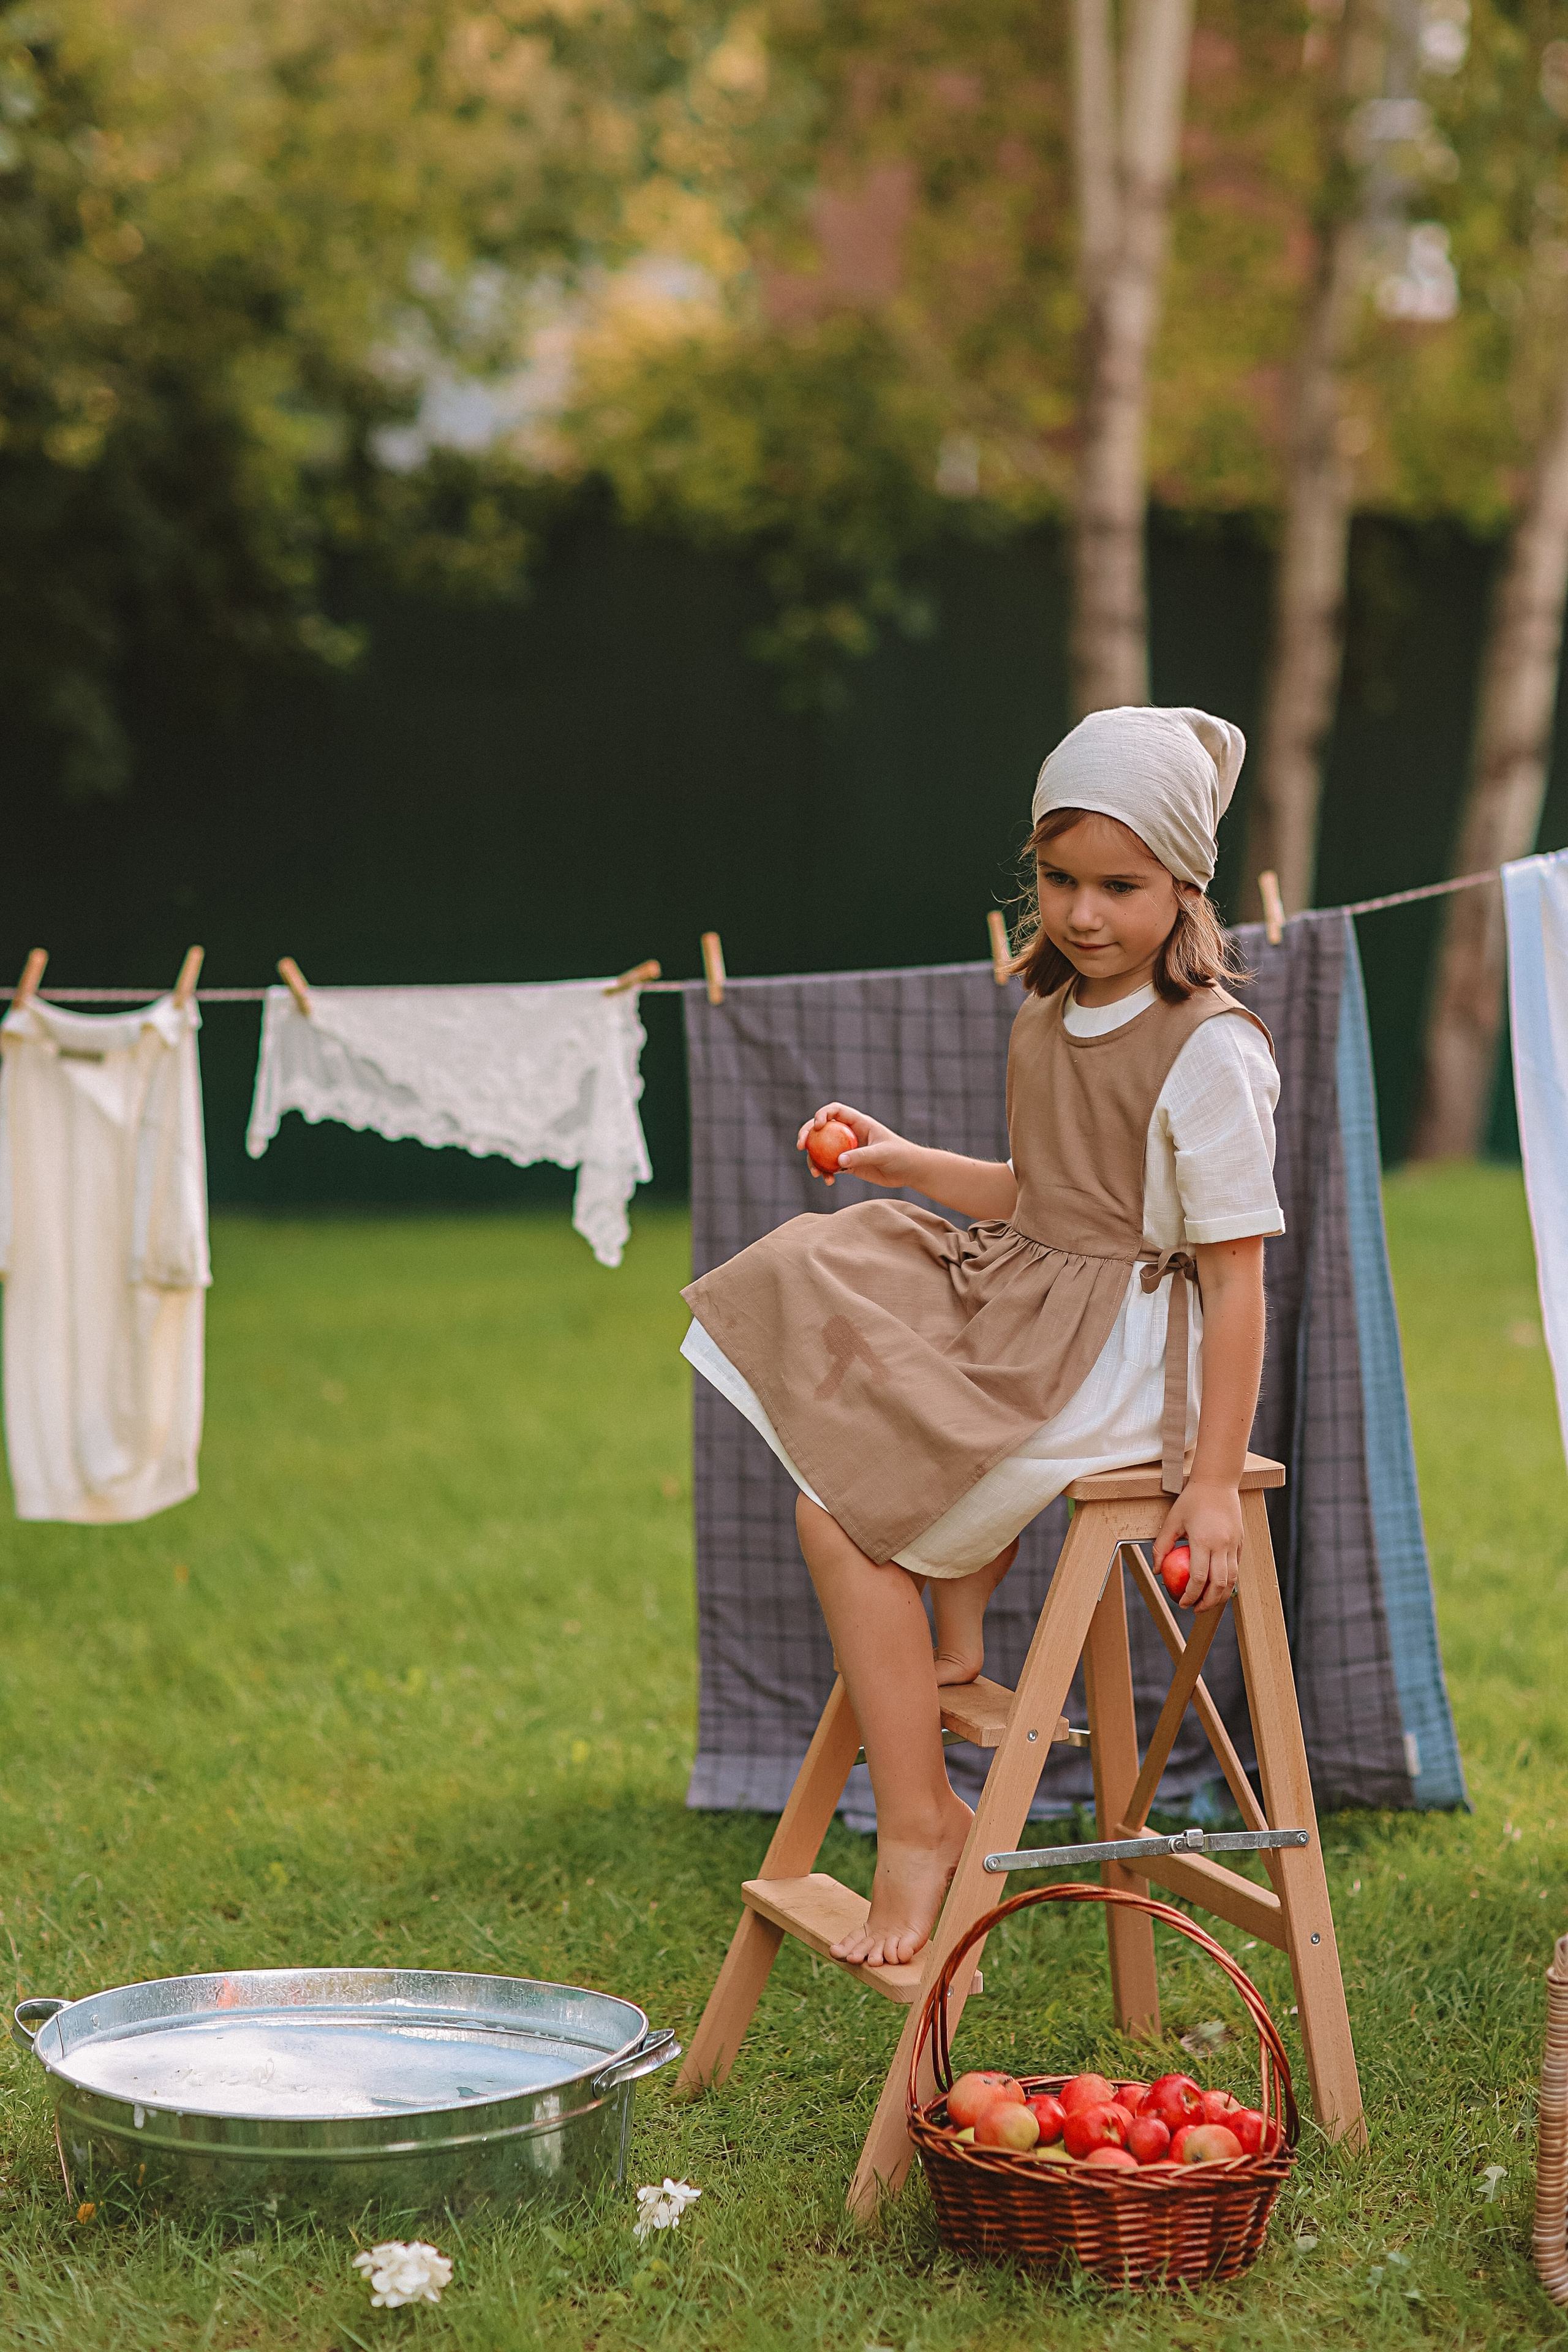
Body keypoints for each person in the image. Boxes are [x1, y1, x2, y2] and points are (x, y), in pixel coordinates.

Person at [680, 706, 1282, 1970]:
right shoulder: (1048, 1016)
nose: (1079, 914)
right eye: (1057, 880)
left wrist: (1212, 1483)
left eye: (1117, 886)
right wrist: (902, 1163)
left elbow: (1232, 1283)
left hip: (1120, 1353)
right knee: (821, 1264)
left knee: (837, 1517)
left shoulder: (1208, 1052)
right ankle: (948, 1646)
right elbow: (1042, 1195)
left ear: (1183, 885)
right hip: (1033, 1296)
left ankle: (919, 1822)